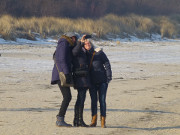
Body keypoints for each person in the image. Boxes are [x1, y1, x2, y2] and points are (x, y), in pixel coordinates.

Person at [51, 32, 78, 127]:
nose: (74, 40)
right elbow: (61, 59)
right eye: (73, 38)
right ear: (69, 37)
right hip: (61, 75)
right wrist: (66, 73)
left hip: (61, 73)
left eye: (76, 38)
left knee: (67, 97)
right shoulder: (64, 44)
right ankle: (60, 119)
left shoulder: (66, 44)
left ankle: (60, 118)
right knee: (67, 97)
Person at [84, 39, 112, 128]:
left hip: (103, 81)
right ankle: (94, 121)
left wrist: (108, 77)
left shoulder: (99, 52)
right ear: (83, 46)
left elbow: (107, 63)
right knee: (93, 101)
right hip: (91, 82)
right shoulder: (84, 54)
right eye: (85, 44)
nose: (87, 44)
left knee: (102, 101)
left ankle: (103, 122)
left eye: (89, 43)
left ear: (91, 44)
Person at [72, 35, 91, 127]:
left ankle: (77, 120)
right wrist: (81, 43)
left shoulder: (85, 52)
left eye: (88, 42)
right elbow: (74, 53)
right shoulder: (78, 49)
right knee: (81, 100)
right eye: (85, 42)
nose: (87, 43)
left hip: (84, 78)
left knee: (80, 99)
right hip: (80, 78)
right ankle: (79, 121)